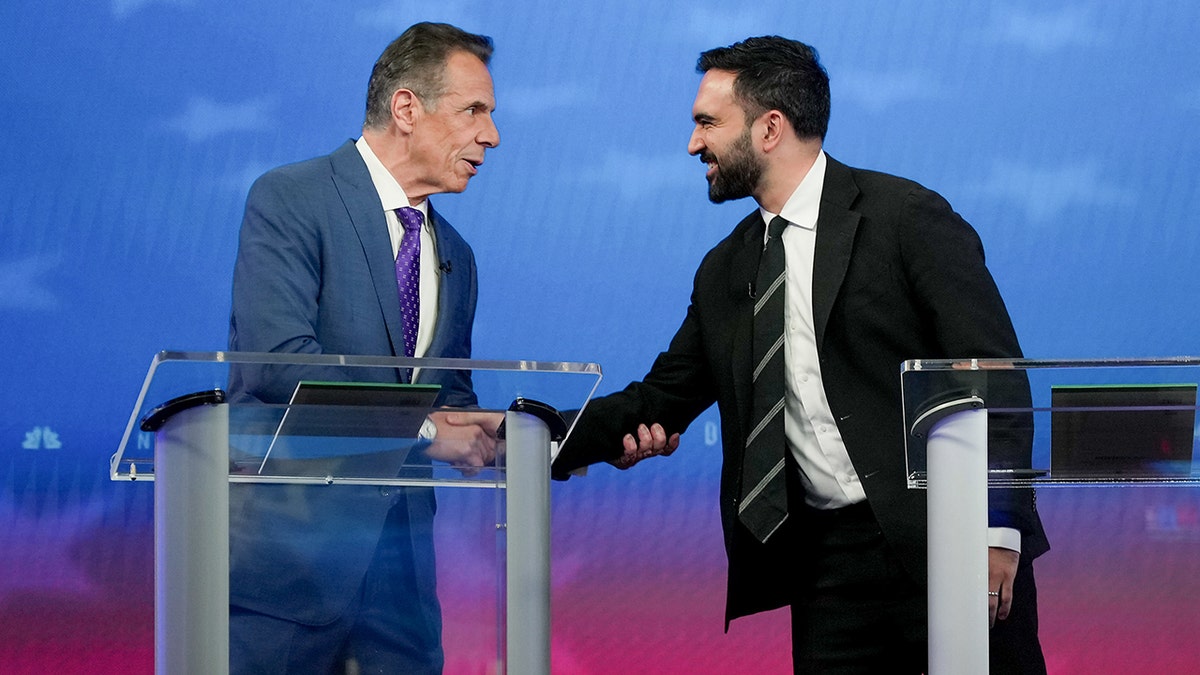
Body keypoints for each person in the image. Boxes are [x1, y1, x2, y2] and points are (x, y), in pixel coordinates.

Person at [552, 36, 1049, 674]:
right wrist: (541, 434)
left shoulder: (905, 218)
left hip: (952, 546)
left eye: (707, 122)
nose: (692, 144)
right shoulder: (725, 269)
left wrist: (997, 530)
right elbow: (661, 399)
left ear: (770, 128)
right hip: (826, 570)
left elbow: (994, 376)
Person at [227, 22, 502, 674]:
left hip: (402, 589)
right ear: (407, 107)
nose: (491, 135)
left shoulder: (455, 254)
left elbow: (451, 397)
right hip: (289, 573)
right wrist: (431, 429)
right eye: (474, 111)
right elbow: (279, 365)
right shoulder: (292, 199)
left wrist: (530, 435)